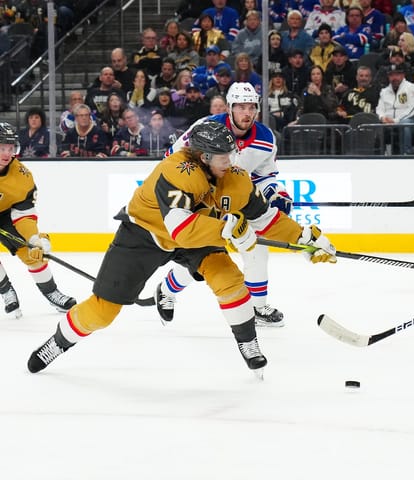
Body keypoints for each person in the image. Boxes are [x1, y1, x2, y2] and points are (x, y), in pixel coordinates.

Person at [26, 121, 336, 375]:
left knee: (230, 280)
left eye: (231, 154)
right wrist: (229, 230)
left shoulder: (236, 178)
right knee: (103, 312)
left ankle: (248, 343)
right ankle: (59, 341)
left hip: (200, 234)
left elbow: (265, 219)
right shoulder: (176, 171)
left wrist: (307, 238)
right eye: (222, 157)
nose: (230, 162)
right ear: (202, 157)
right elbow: (182, 231)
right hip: (145, 234)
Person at [160, 83, 295, 327]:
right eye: (241, 107)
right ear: (230, 108)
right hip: (205, 200)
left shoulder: (266, 138)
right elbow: (173, 157)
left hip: (238, 198)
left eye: (251, 107)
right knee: (204, 259)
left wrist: (275, 194)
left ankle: (257, 306)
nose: (247, 112)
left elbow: (266, 176)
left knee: (257, 251)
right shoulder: (206, 128)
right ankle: (167, 290)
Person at [0, 123, 77, 319]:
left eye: (10, 148)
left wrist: (34, 239)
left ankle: (51, 292)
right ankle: (6, 290)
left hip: (7, 213)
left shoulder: (21, 175)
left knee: (31, 253)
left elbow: (24, 213)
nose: (7, 154)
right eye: (2, 148)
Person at [376, 62, 414, 154]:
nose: (394, 78)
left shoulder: (411, 87)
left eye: (397, 74)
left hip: (409, 121)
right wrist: (382, 117)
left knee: (404, 124)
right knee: (375, 126)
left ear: (403, 75)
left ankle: (406, 153)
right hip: (388, 122)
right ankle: (380, 155)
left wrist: (396, 120)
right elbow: (379, 108)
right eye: (391, 75)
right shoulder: (384, 91)